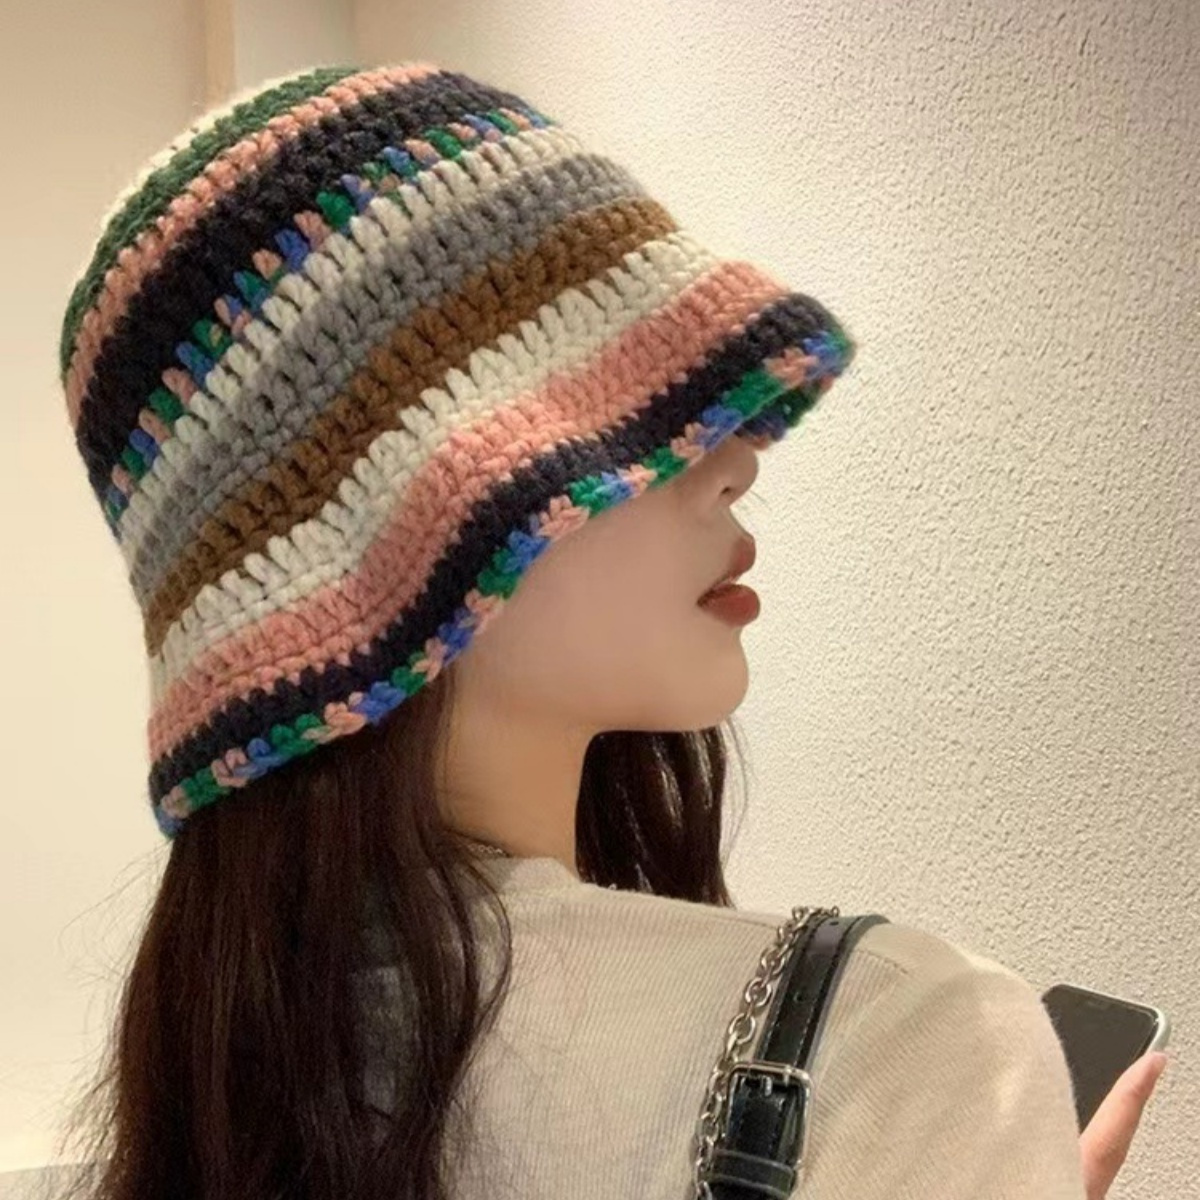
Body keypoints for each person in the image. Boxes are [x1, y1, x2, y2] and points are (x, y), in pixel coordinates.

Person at [50, 60, 1163, 1200]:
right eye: (620, 413)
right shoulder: (900, 1045)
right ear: (382, 539)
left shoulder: (220, 1077)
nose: (737, 462)